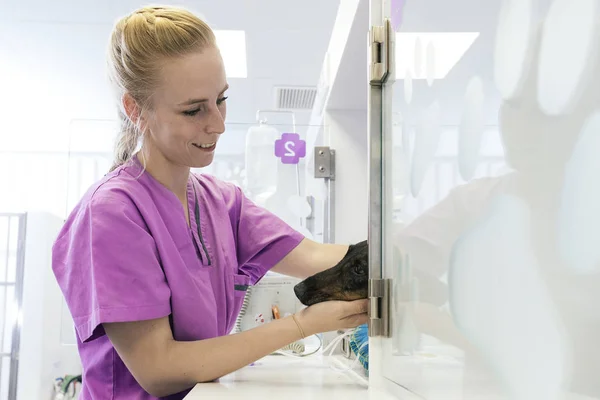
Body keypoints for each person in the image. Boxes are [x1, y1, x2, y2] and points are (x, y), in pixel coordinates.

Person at [51, 6, 368, 400]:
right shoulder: (111, 215)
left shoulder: (221, 203)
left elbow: (322, 257)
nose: (217, 124)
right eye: (193, 110)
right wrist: (303, 325)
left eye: (221, 100)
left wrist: (404, 257)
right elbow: (159, 369)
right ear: (136, 110)